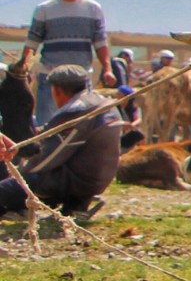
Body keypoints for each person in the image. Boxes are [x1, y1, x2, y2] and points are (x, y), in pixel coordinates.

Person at [0, 65, 123, 216]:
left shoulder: (75, 112)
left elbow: (45, 160)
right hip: (95, 181)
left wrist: (16, 173)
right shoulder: (102, 104)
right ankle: (74, 205)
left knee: (20, 182)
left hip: (75, 181)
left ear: (57, 90)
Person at [17, 0, 112, 128]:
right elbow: (32, 43)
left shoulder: (93, 9)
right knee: (48, 127)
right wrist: (24, 67)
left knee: (81, 127)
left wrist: (107, 69)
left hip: (80, 80)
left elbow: (100, 43)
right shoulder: (44, 9)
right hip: (51, 79)